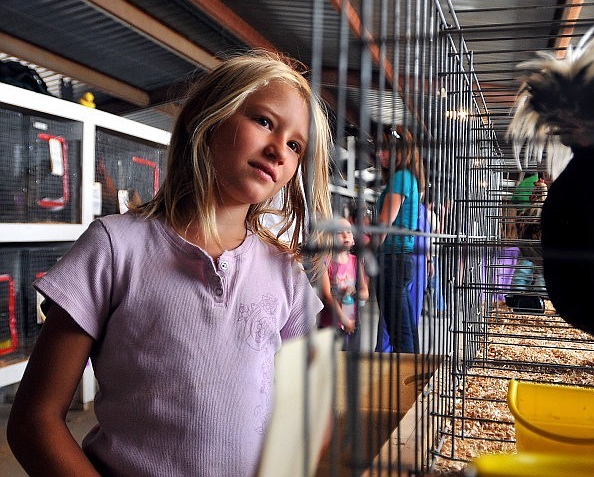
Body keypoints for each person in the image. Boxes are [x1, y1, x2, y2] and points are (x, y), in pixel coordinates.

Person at [6, 50, 333, 477]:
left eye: (295, 145)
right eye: (264, 121)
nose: (278, 150)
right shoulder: (114, 247)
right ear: (209, 118)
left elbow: (313, 410)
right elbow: (35, 421)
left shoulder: (286, 274)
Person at [373, 125, 425, 353]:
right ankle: (411, 377)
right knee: (402, 327)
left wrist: (369, 251)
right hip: (399, 258)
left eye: (384, 149)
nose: (379, 154)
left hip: (393, 259)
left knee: (399, 331)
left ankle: (407, 381)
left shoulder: (401, 178)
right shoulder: (406, 177)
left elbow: (385, 222)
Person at [318, 217, 369, 351]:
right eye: (339, 232)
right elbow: (327, 296)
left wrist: (354, 293)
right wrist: (344, 319)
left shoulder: (355, 261)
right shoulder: (324, 262)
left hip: (353, 323)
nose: (346, 235)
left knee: (352, 364)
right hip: (331, 325)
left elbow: (365, 293)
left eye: (349, 232)